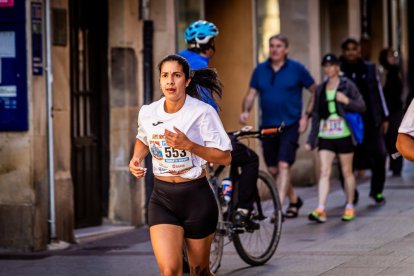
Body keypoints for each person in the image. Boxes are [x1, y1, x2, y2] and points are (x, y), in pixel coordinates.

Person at [129, 54, 232, 276]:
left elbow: (225, 157)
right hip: (163, 199)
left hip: (196, 197)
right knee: (170, 271)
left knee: (199, 270)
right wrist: (136, 158)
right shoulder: (148, 112)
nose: (170, 81)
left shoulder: (202, 112)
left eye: (176, 76)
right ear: (159, 80)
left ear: (186, 81)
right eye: (165, 76)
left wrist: (190, 145)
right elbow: (143, 138)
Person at [179, 20, 260, 226]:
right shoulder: (200, 68)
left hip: (178, 133)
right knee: (250, 158)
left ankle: (218, 198)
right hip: (201, 135)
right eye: (213, 41)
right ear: (208, 44)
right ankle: (242, 210)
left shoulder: (178, 61)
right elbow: (207, 107)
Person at [240, 34, 317, 219]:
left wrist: (306, 116)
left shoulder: (297, 69)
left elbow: (315, 91)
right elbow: (251, 94)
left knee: (284, 165)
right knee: (274, 170)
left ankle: (278, 210)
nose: (274, 49)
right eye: (272, 45)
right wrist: (245, 110)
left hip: (289, 125)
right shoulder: (260, 70)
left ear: (286, 49)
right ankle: (295, 200)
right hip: (267, 126)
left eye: (279, 46)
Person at [305, 54, 366, 222]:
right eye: (325, 65)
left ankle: (349, 205)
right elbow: (316, 115)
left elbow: (362, 106)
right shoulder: (320, 88)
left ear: (337, 67)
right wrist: (311, 140)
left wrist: (346, 100)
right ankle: (320, 208)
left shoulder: (348, 85)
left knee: (347, 172)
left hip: (344, 134)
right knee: (324, 171)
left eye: (331, 65)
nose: (328, 68)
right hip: (326, 134)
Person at [340, 37, 389, 205]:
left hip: (370, 120)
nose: (351, 52)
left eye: (354, 48)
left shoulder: (369, 68)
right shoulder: (339, 69)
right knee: (346, 159)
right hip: (347, 122)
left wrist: (384, 117)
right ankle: (351, 193)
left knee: (381, 155)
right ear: (344, 52)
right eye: (348, 49)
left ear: (358, 50)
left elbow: (378, 93)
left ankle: (376, 191)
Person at [379, 48, 404, 176]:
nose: (393, 58)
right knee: (387, 140)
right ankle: (392, 161)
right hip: (384, 112)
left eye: (395, 55)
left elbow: (402, 91)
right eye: (390, 56)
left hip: (397, 111)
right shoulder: (381, 72)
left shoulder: (398, 72)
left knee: (397, 140)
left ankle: (397, 166)